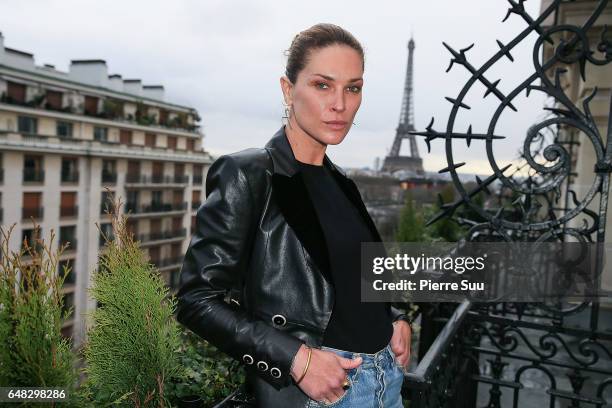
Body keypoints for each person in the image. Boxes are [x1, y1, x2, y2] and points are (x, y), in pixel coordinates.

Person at [176, 23, 412, 408]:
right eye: (323, 85)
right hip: (322, 393)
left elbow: (354, 272)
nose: (340, 103)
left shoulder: (342, 183)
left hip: (388, 382)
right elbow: (196, 299)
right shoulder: (249, 174)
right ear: (289, 90)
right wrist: (296, 359)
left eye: (353, 88)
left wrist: (396, 317)